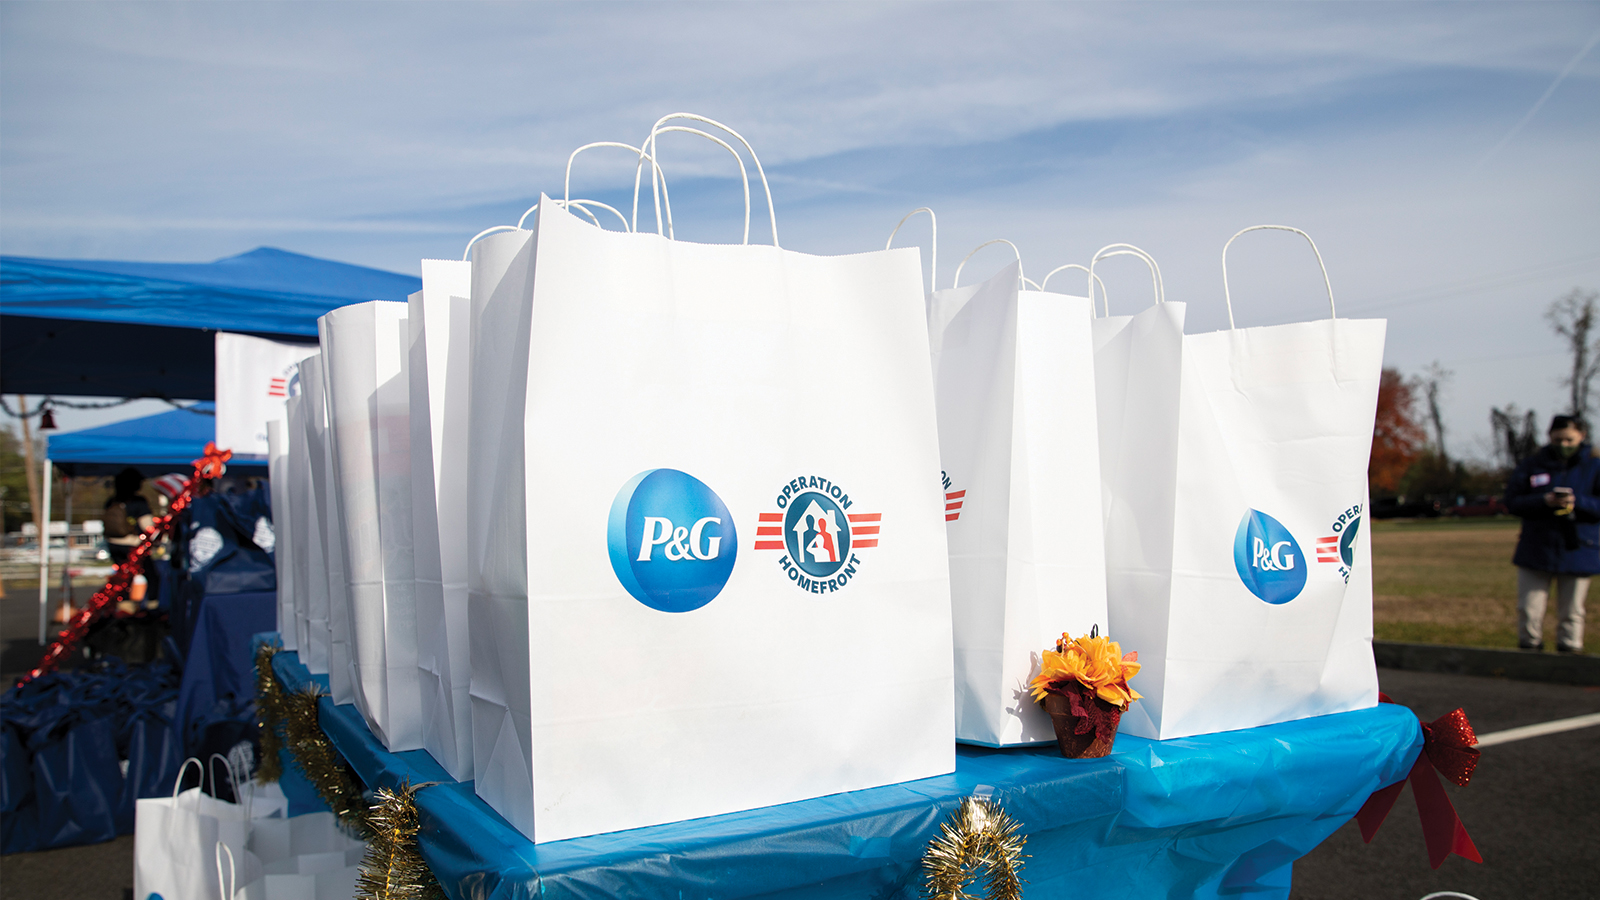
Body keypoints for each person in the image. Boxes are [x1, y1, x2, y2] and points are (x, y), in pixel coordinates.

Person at [1506, 415, 1600, 653]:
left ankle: (1569, 655)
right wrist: (1543, 501)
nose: (1564, 445)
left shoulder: (1594, 465)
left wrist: (1577, 502)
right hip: (1537, 546)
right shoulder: (1533, 464)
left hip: (1578, 547)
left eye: (1569, 439)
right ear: (1549, 437)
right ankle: (1529, 652)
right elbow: (1512, 501)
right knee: (1529, 607)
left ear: (1582, 436)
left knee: (1572, 611)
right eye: (1558, 439)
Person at [102, 466, 154, 566]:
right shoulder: (138, 502)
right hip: (133, 544)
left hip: (113, 544)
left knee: (122, 577)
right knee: (150, 576)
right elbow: (148, 527)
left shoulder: (111, 502)